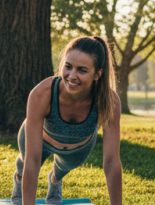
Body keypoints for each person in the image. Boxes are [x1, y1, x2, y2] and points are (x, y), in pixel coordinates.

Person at [11, 36, 122, 205]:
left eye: (82, 70)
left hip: (78, 148)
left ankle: (55, 180)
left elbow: (111, 162)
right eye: (68, 67)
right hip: (40, 138)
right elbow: (33, 160)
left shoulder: (108, 101)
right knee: (25, 163)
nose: (72, 76)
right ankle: (18, 180)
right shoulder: (42, 93)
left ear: (97, 74)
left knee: (62, 170)